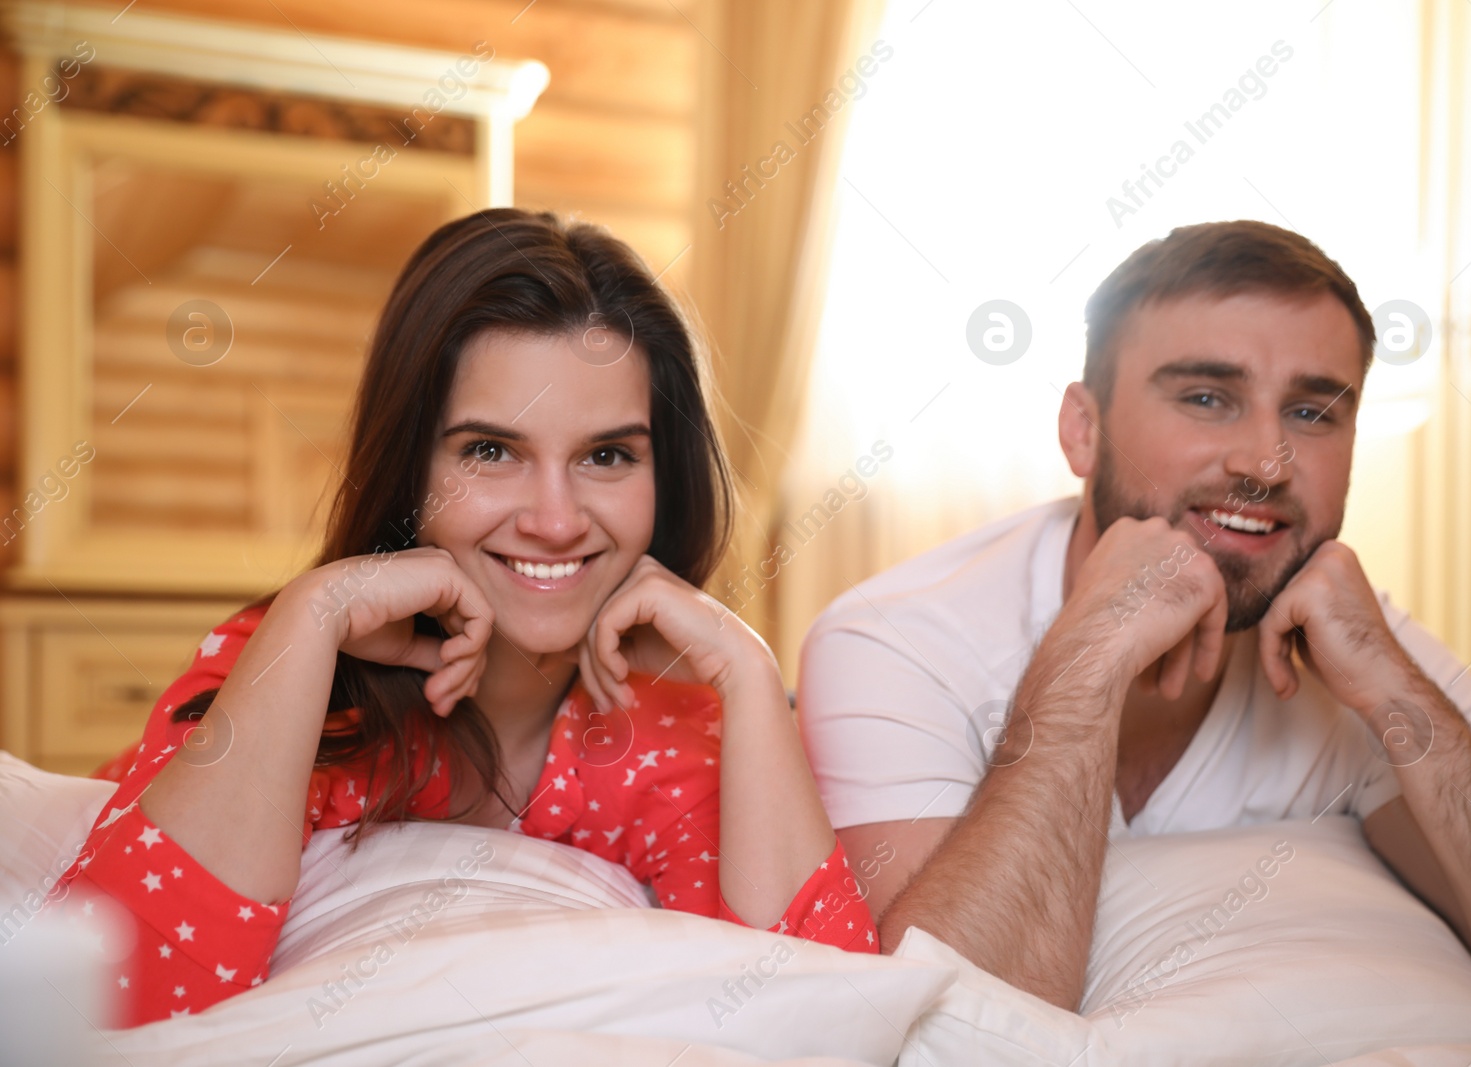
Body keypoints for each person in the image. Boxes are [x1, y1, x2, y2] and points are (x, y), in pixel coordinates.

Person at [56, 208, 876, 1028]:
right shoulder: (285, 655)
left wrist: (752, 671)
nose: (555, 520)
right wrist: (313, 612)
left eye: (607, 455)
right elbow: (106, 1004)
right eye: (491, 450)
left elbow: (823, 1015)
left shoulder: (670, 726)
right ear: (411, 466)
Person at [799, 220, 1471, 1042]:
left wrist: (1391, 681)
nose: (1267, 460)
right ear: (1084, 428)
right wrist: (1089, 657)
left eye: (1313, 411)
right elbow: (952, 1025)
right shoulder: (895, 641)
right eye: (1206, 398)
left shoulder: (1359, 645)